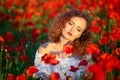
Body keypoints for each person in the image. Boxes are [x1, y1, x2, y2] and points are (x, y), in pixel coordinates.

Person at [33, 9, 92, 80]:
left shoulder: (84, 55)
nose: (72, 30)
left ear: (80, 35)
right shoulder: (44, 49)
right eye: (70, 24)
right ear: (63, 22)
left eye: (78, 29)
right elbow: (37, 75)